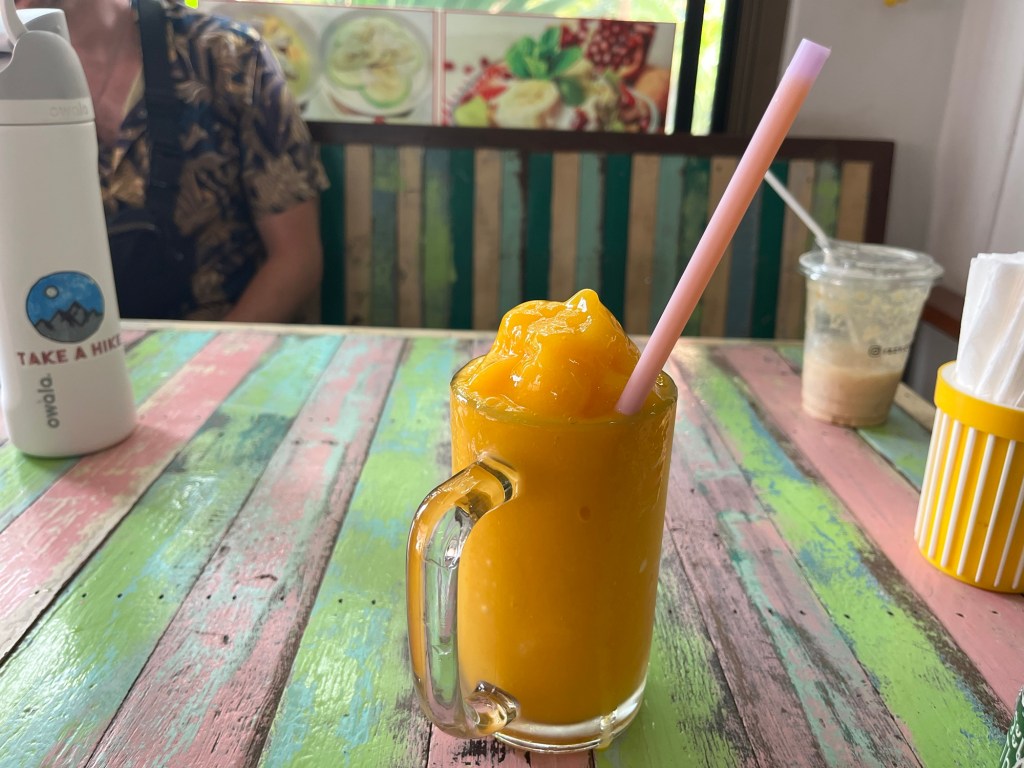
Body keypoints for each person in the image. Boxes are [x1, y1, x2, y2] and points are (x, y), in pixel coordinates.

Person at [15, 0, 327, 322]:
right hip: (51, 341)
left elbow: (296, 259)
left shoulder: (228, 55)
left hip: (216, 335)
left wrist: (208, 352)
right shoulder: (9, 70)